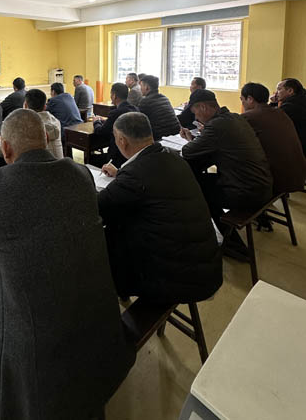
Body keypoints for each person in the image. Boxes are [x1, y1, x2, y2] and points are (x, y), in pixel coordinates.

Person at [0, 109, 135, 420]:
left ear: (6, 148)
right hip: (99, 323)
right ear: (45, 138)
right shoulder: (79, 174)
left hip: (37, 347)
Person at [98, 113, 222, 304]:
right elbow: (151, 181)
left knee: (108, 234)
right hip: (205, 267)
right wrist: (120, 173)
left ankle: (113, 294)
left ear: (122, 140)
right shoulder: (172, 157)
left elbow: (99, 207)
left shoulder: (135, 175)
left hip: (177, 280)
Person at [181, 89, 272, 257]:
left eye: (195, 113)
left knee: (197, 189)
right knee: (201, 180)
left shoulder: (216, 126)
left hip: (246, 192)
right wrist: (203, 136)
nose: (195, 117)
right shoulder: (235, 118)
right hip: (261, 185)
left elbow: (187, 152)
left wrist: (190, 139)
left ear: (203, 107)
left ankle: (233, 244)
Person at [240, 82, 306, 194]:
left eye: (242, 99)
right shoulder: (280, 112)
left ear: (250, 99)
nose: (242, 103)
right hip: (298, 174)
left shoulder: (249, 117)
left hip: (278, 181)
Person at [91, 82, 137, 169]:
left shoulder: (116, 113)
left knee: (91, 159)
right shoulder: (135, 109)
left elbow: (100, 131)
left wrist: (96, 121)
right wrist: (106, 121)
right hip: (132, 156)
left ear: (114, 96)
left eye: (111, 94)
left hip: (116, 158)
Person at [24, 88, 63, 159]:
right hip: (60, 163)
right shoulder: (56, 121)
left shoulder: (27, 126)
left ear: (26, 106)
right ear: (45, 106)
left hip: (39, 165)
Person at [138, 74, 180, 140]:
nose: (140, 89)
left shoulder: (145, 101)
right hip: (176, 134)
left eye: (141, 86)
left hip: (160, 137)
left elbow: (139, 121)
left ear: (146, 87)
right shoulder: (164, 98)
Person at [276, 78, 306, 155]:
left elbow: (272, 119)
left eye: (279, 89)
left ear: (290, 91)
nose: (276, 93)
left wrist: (273, 104)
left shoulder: (290, 107)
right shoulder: (301, 100)